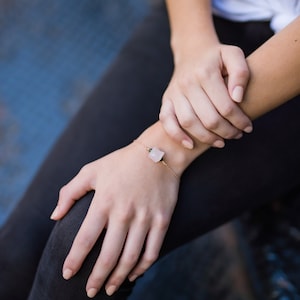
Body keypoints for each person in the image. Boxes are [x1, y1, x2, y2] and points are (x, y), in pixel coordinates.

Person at [1, 0, 300, 299]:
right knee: (16, 256)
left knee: (94, 241)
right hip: (212, 15)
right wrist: (191, 46)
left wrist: (159, 153)